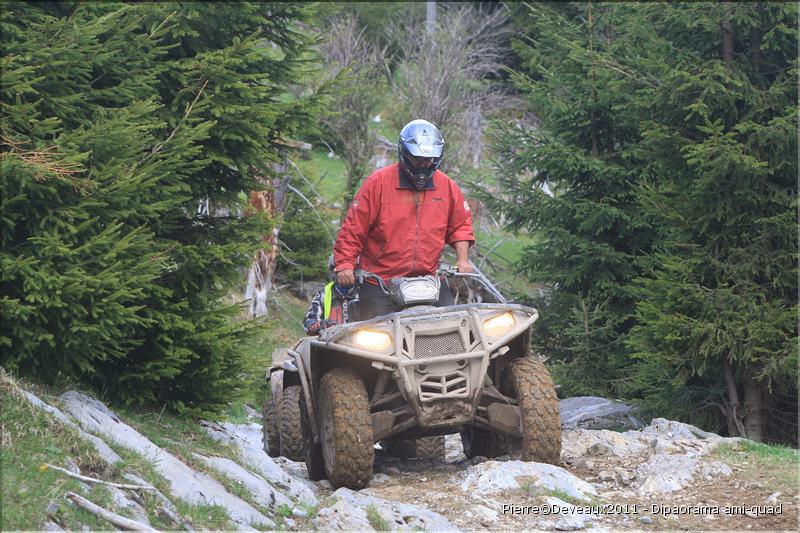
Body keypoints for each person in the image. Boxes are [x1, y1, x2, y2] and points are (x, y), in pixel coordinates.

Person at [333, 119, 474, 320]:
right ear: (405, 154)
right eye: (417, 159)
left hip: (429, 279)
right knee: (371, 341)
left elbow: (460, 225)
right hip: (381, 282)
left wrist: (462, 259)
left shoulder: (447, 186)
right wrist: (345, 264)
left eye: (429, 160)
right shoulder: (378, 183)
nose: (424, 165)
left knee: (454, 326)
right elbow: (354, 228)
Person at [302, 257, 353, 335]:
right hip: (330, 339)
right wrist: (318, 325)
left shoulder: (365, 292)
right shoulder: (324, 293)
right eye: (338, 270)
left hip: (362, 340)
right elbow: (308, 321)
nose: (344, 274)